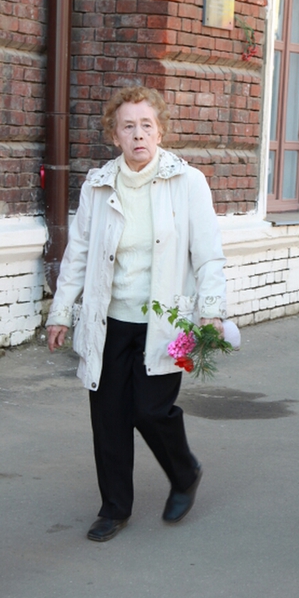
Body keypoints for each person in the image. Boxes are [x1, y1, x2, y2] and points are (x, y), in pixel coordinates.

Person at [47, 85, 227, 542]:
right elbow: (79, 253)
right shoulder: (98, 184)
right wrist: (61, 312)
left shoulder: (187, 183)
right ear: (115, 135)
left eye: (147, 125)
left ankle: (184, 472)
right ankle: (114, 508)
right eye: (128, 126)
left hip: (163, 322)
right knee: (108, 415)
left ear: (161, 130)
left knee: (151, 410)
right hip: (109, 320)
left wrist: (211, 311)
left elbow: (208, 254)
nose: (138, 134)